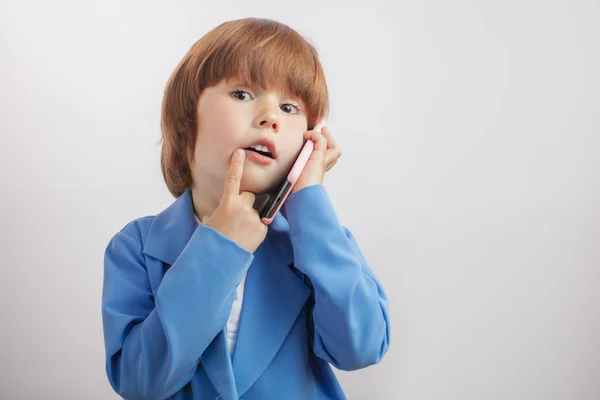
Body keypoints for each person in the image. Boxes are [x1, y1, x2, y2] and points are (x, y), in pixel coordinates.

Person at [102, 17, 390, 400]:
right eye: (242, 94)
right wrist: (219, 247)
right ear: (188, 120)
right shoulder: (135, 246)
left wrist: (309, 201)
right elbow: (142, 383)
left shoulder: (321, 242)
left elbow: (361, 347)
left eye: (289, 107)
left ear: (309, 141)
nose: (271, 117)